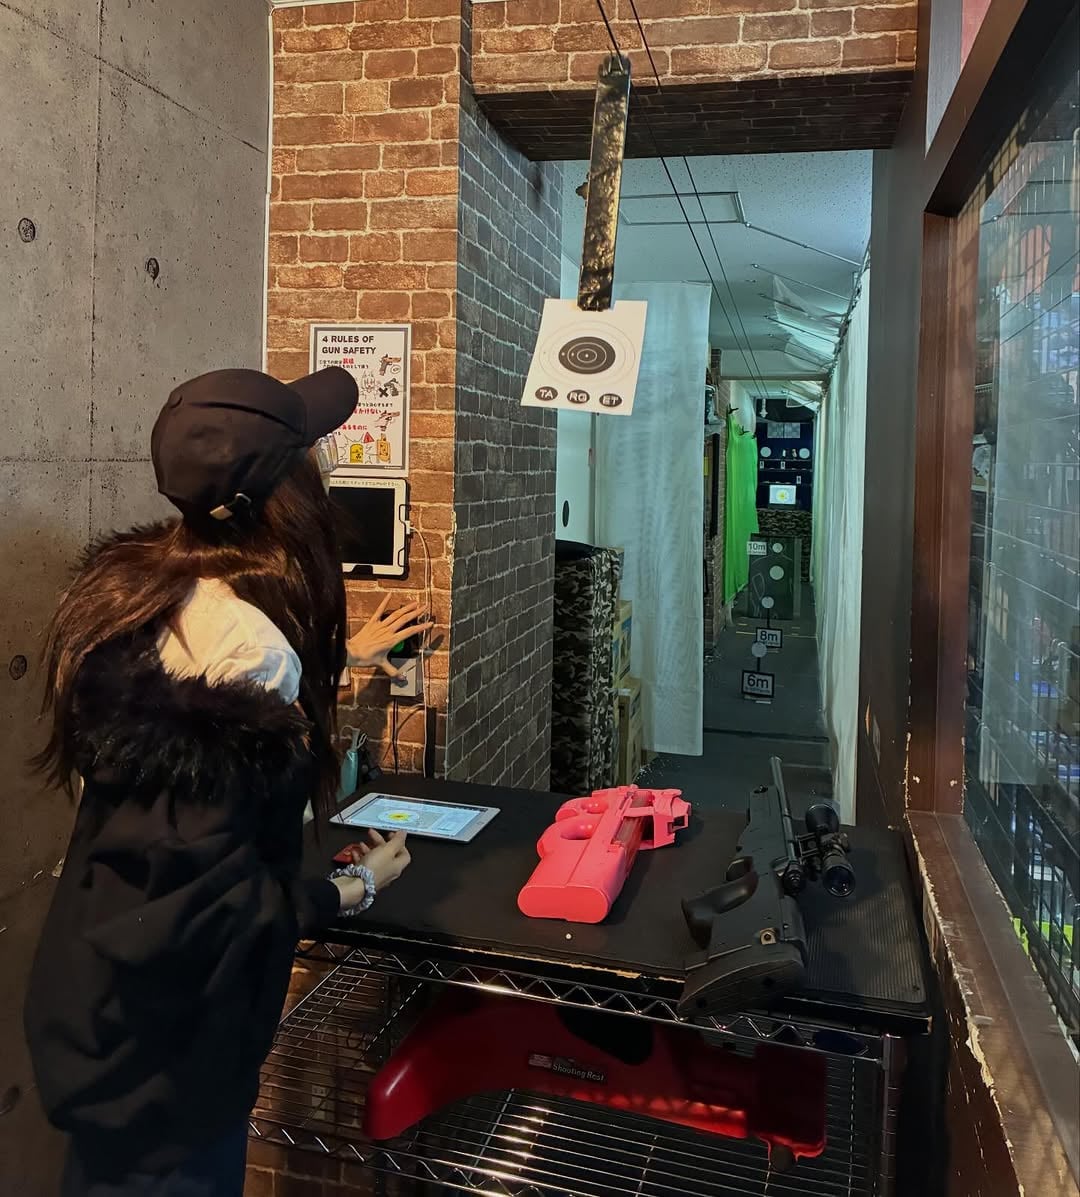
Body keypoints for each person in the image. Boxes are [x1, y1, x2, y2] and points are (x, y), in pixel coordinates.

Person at [24, 367, 431, 1197]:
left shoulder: (135, 592)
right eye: (309, 457)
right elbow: (208, 913)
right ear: (284, 498)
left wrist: (338, 659)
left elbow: (172, 792)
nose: (324, 473)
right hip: (168, 1068)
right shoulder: (251, 651)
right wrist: (355, 886)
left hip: (102, 1016)